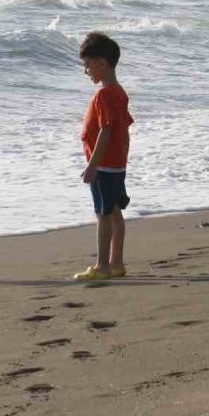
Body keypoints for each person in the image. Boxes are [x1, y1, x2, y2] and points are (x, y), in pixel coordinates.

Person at [74, 32, 134, 282]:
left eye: (87, 65)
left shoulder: (104, 95)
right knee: (115, 212)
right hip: (116, 164)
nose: (86, 71)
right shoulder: (119, 92)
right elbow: (124, 131)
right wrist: (122, 160)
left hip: (104, 166)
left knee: (103, 214)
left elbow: (106, 131)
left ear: (102, 63)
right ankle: (116, 263)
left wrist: (93, 164)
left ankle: (102, 266)